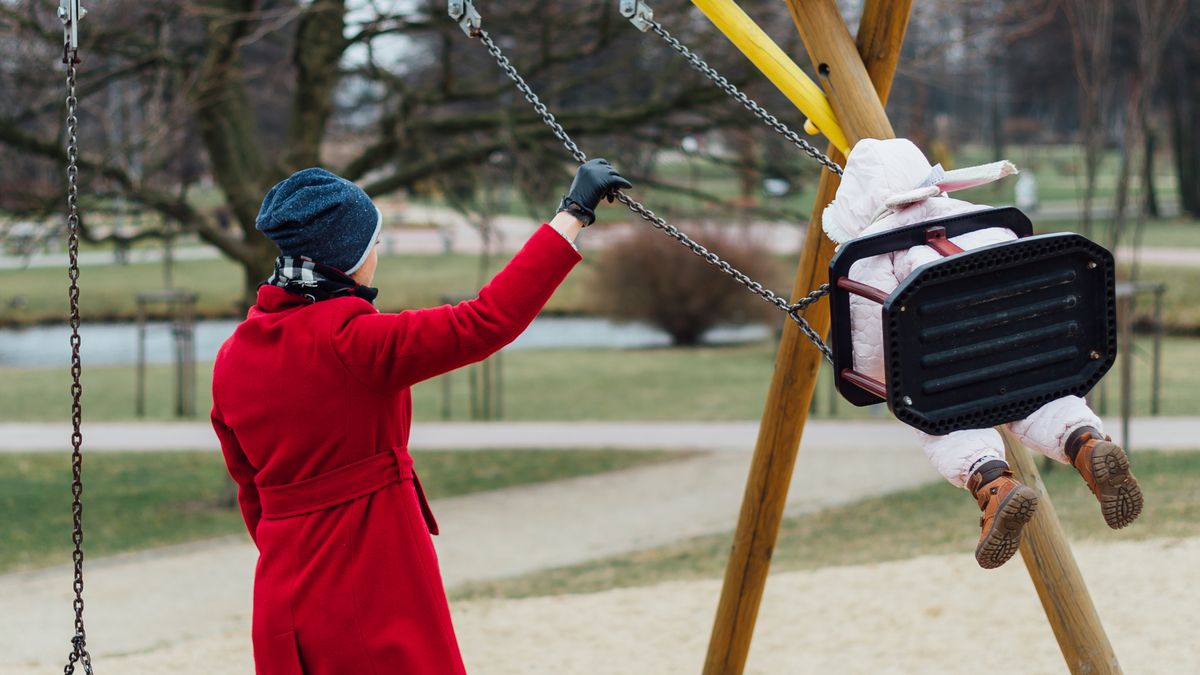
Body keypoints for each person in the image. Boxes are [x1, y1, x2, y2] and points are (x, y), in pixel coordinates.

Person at [210, 159, 631, 674]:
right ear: (351, 256)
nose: (378, 255)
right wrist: (573, 213)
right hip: (368, 581)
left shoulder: (233, 355)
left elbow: (250, 491)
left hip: (282, 591)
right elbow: (486, 320)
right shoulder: (353, 342)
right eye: (375, 243)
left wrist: (295, 541)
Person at [822, 138, 1143, 569]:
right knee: (1039, 400)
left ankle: (992, 482)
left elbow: (876, 353)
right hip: (1027, 355)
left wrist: (887, 387)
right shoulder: (984, 220)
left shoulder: (872, 254)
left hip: (946, 375)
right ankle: (1085, 442)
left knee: (937, 418)